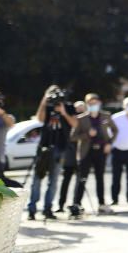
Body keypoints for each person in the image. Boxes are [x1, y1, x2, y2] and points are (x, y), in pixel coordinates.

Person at [27, 85, 78, 221]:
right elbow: (39, 119)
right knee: (37, 178)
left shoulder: (68, 106)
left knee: (53, 180)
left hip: (60, 148)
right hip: (44, 147)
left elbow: (75, 124)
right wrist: (44, 100)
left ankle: (47, 209)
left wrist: (63, 112)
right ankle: (32, 209)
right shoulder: (47, 106)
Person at [70, 93, 118, 217]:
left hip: (101, 151)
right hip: (86, 152)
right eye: (90, 103)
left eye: (95, 103)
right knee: (82, 178)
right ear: (87, 104)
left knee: (100, 178)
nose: (93, 105)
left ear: (99, 103)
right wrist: (87, 135)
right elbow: (73, 136)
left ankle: (101, 204)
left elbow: (115, 130)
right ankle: (77, 204)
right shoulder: (81, 118)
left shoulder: (106, 116)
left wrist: (109, 143)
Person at [57, 100, 86, 212]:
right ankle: (61, 204)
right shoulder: (67, 119)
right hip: (70, 153)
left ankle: (76, 204)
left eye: (82, 108)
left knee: (80, 181)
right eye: (77, 108)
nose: (79, 111)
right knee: (66, 180)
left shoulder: (86, 120)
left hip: (82, 153)